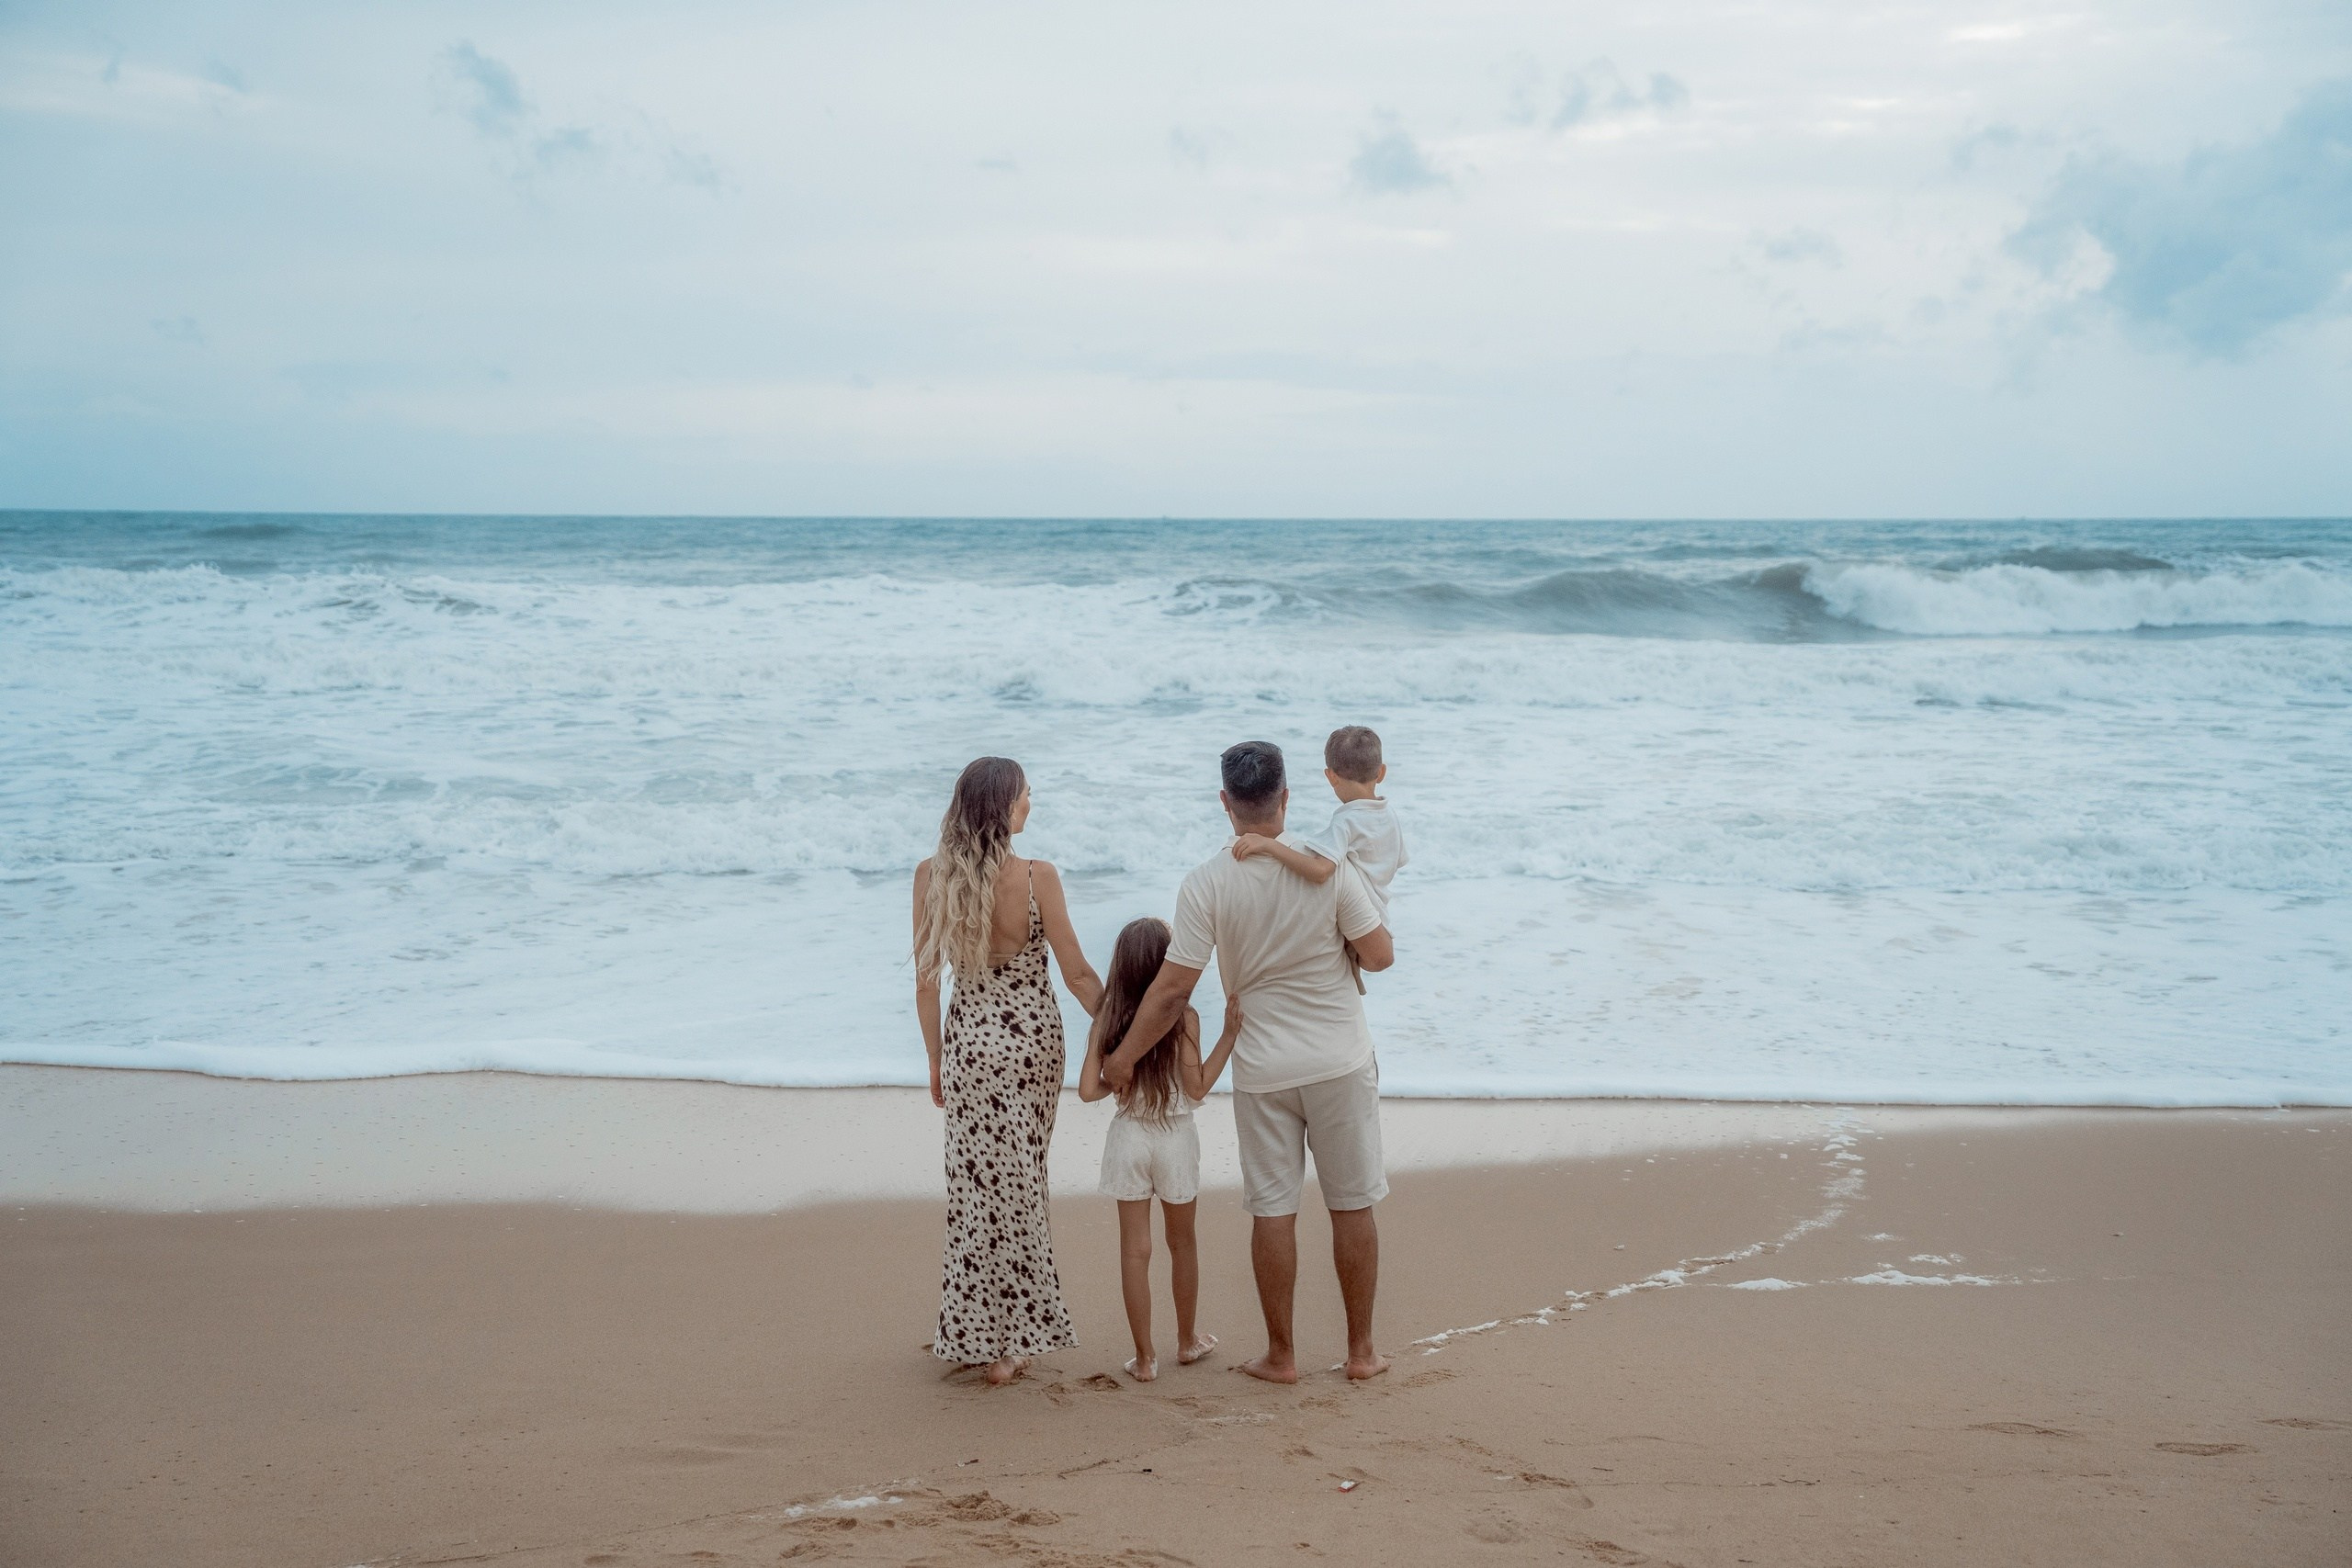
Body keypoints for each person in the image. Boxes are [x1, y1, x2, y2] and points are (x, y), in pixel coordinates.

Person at [1103, 740, 1396, 1384]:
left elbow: (1172, 990)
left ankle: (1281, 1356)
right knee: (1352, 1205)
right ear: (1285, 797)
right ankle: (1361, 1352)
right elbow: (1378, 955)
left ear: (1225, 803)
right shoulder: (1328, 866)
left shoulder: (1207, 882)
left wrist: (1121, 1058)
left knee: (1274, 1210)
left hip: (1263, 1071)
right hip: (1340, 1059)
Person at [912, 756, 1102, 1386]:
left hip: (969, 1048)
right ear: (1003, 805)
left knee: (974, 1193)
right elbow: (1078, 974)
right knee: (1022, 1186)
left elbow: (926, 984)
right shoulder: (1036, 876)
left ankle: (972, 1332)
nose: (1030, 803)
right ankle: (1013, 1343)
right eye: (1025, 794)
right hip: (1030, 1050)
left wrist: (936, 1060)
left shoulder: (930, 876)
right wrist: (1124, 1030)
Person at [1076, 917, 1243, 1382]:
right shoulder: (1184, 1017)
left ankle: (1145, 1358)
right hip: (1175, 1138)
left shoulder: (1109, 1018)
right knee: (1182, 1243)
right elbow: (1196, 1088)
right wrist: (1229, 1036)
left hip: (1128, 1137)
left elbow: (1088, 1090)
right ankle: (1186, 1341)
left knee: (1135, 1251)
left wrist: (1116, 1079)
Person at [1233, 726, 1407, 988]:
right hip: (1381, 911)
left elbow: (1320, 871)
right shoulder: (1389, 814)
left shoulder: (1347, 821)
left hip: (1362, 913)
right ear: (1381, 772)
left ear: (1331, 777)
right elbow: (1399, 859)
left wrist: (1270, 846)